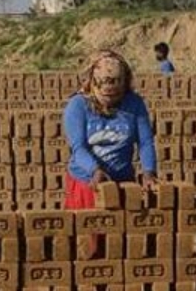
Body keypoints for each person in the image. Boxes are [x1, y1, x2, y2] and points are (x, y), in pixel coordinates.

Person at [63, 50, 157, 210]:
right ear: (93, 85)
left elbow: (145, 142)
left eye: (116, 97)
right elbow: (78, 148)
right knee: (89, 232)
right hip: (87, 181)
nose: (110, 102)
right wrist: (95, 170)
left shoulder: (134, 103)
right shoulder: (77, 105)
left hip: (123, 180)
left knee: (121, 233)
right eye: (106, 97)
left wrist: (149, 173)